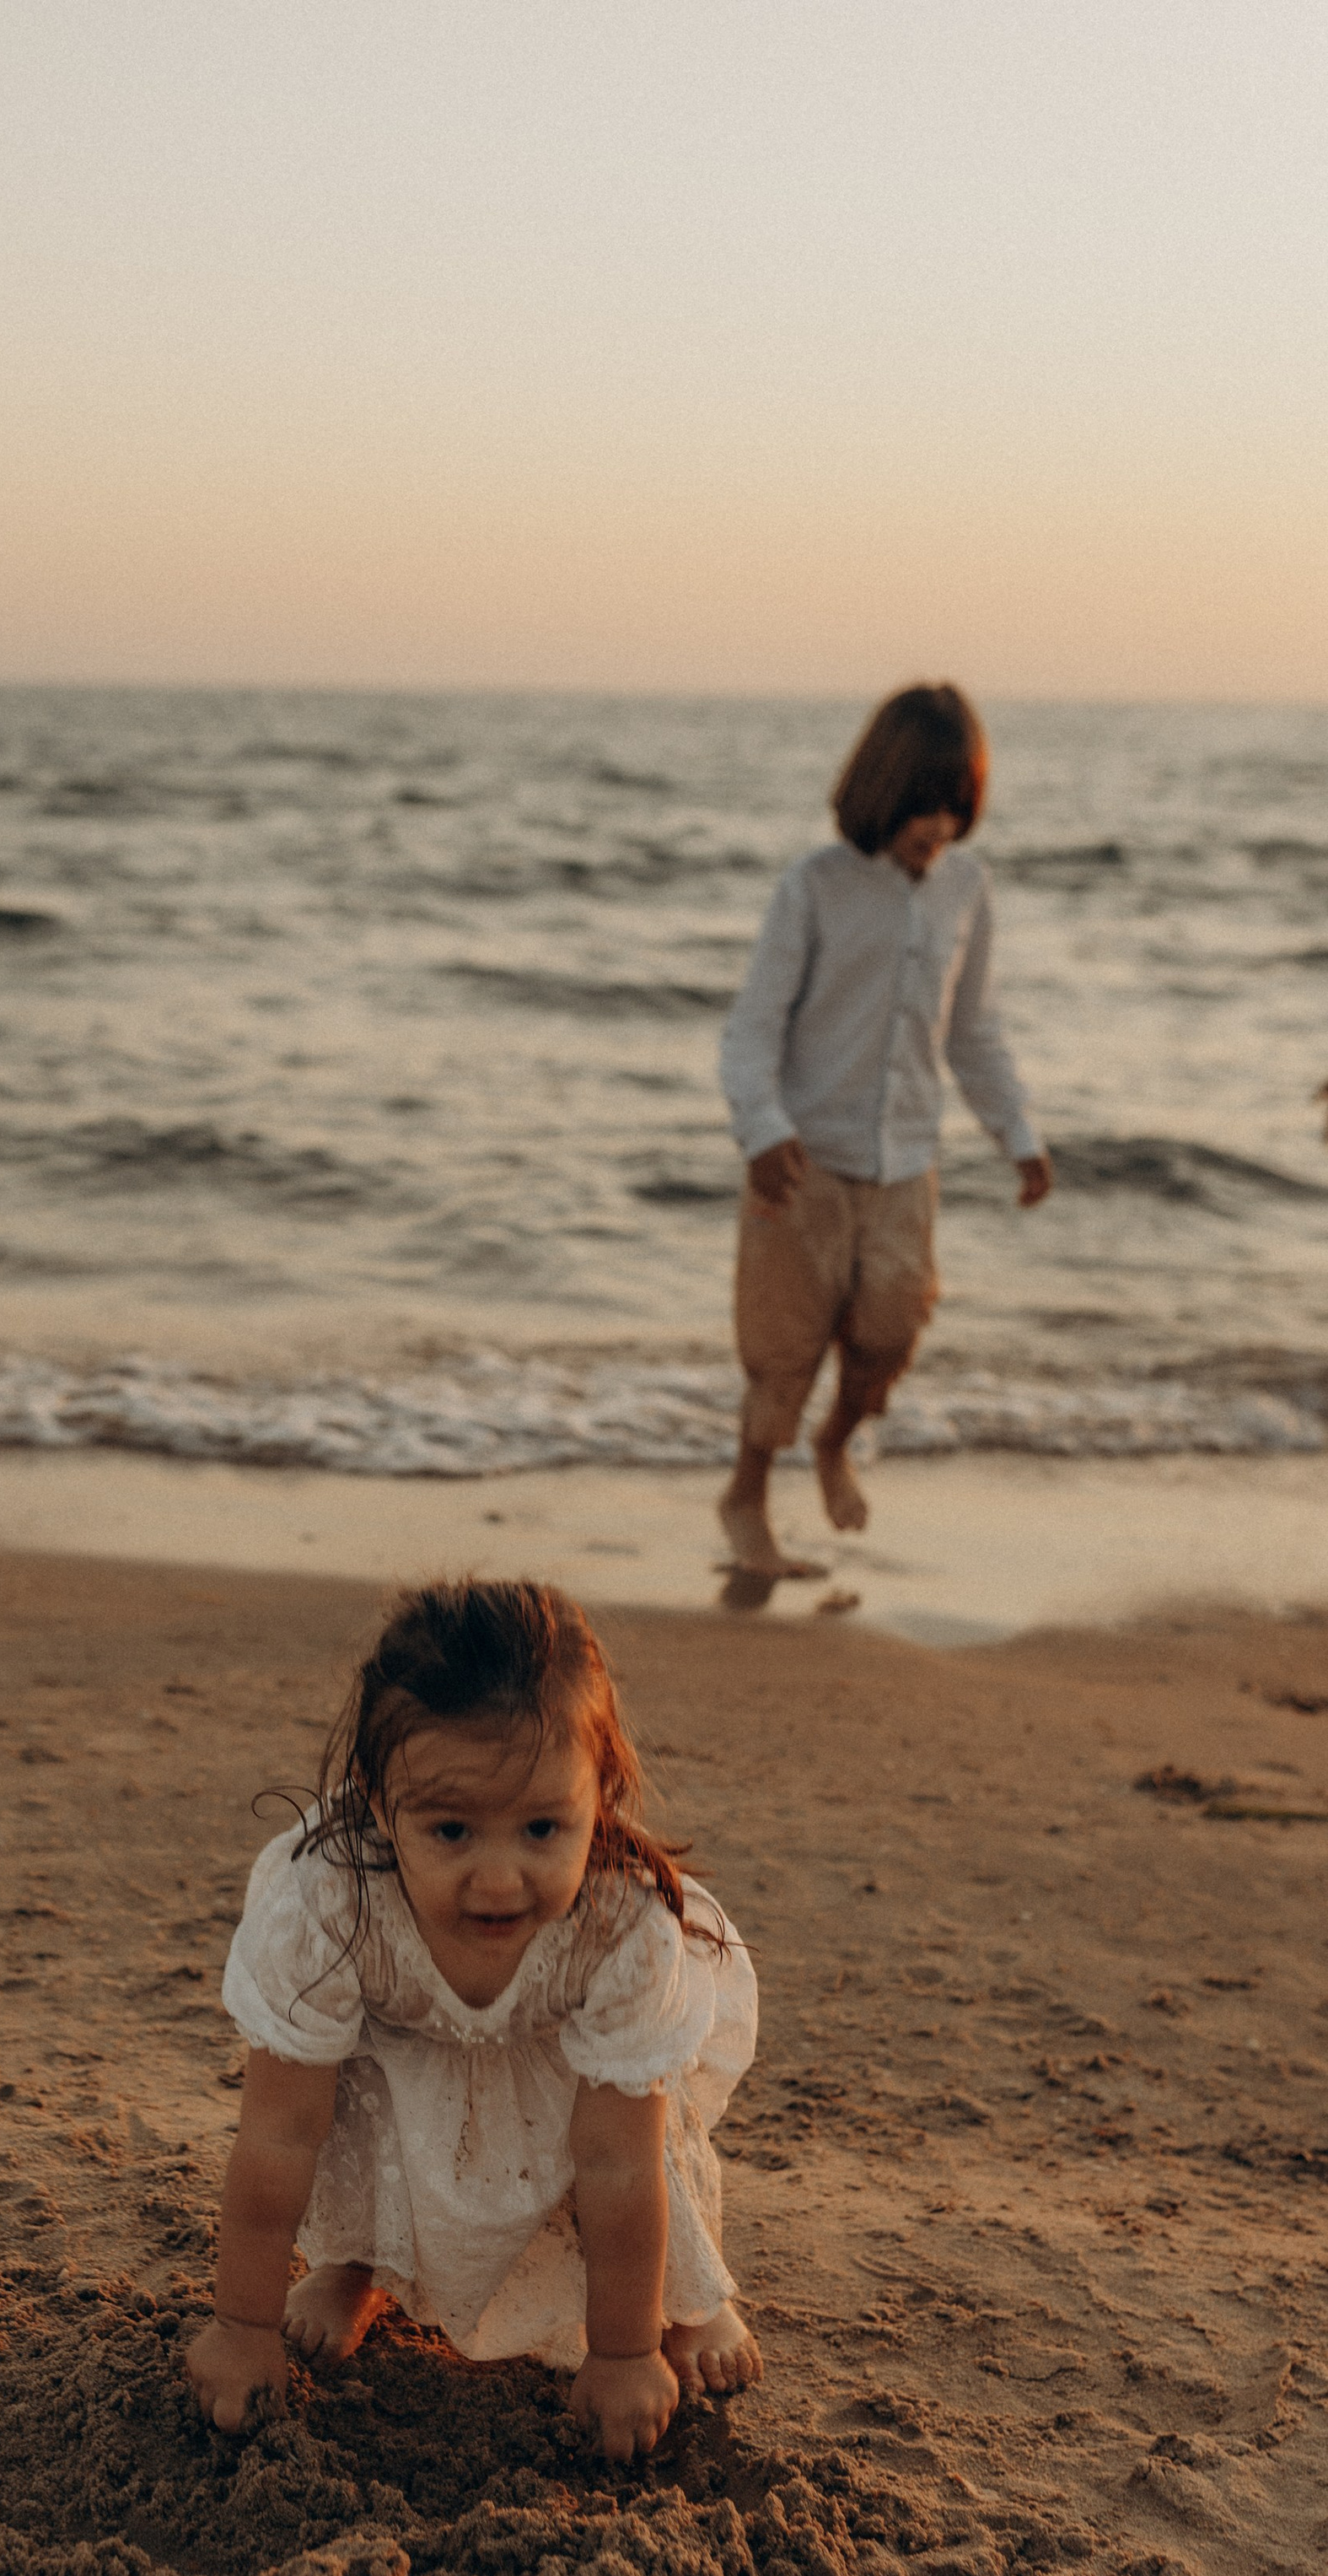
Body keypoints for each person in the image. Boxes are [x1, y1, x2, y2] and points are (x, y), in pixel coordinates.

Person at [184, 1581, 760, 2465]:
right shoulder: (327, 1907)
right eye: (451, 1831)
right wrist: (241, 2326)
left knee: (635, 2134)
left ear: (599, 1794)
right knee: (346, 2104)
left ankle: (687, 2297)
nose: (498, 1880)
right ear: (379, 1803)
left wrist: (620, 2352)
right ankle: (354, 2269)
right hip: (396, 2060)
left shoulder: (619, 1926)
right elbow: (279, 2135)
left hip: (570, 2077)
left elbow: (618, 2161)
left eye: (540, 1828)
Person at [717, 682, 1052, 1581]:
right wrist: (761, 1127)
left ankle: (834, 1444)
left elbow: (973, 1031)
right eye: (920, 805)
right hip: (802, 1161)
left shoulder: (967, 891)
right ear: (878, 792)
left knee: (890, 1333)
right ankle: (746, 1498)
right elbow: (753, 1028)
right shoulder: (814, 888)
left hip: (907, 1163)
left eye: (955, 805)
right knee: (783, 1347)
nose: (937, 825)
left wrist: (1016, 1133)